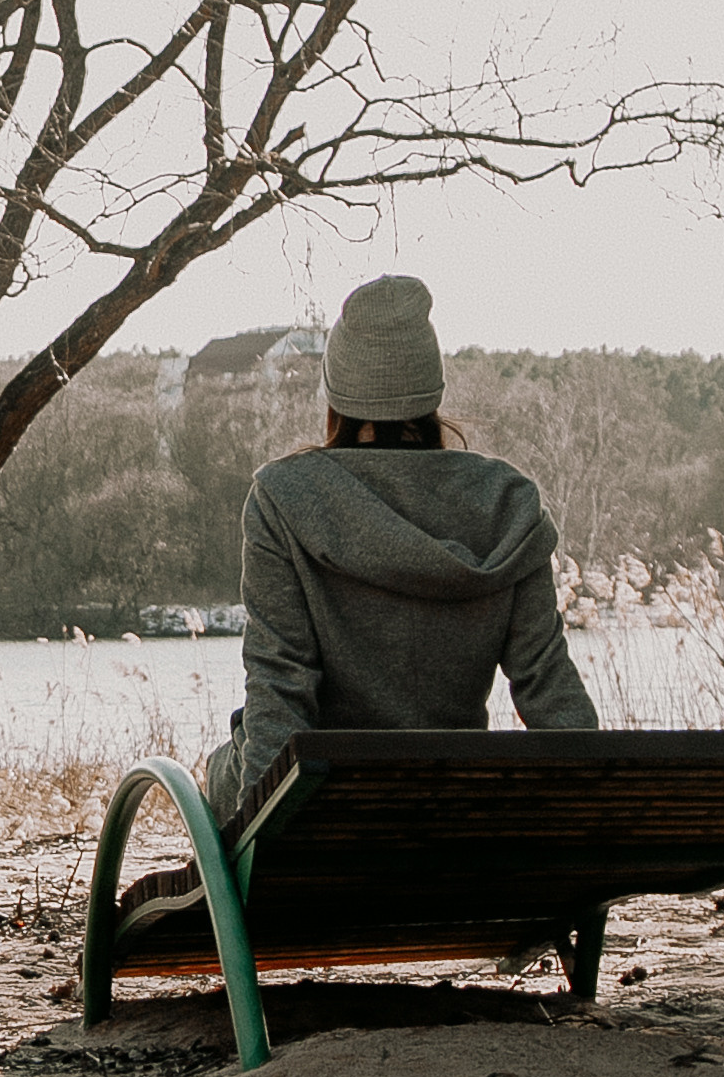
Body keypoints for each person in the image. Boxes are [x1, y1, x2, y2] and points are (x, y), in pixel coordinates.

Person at [120, 274, 596, 943]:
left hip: (322, 818)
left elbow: (280, 684)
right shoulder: (506, 501)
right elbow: (549, 690)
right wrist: (591, 835)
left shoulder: (286, 496)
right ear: (431, 389)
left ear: (339, 393)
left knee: (218, 767)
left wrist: (270, 858)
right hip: (454, 816)